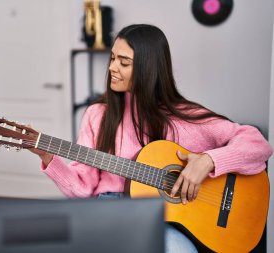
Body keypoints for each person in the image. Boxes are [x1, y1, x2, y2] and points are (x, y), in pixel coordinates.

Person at [29, 24, 272, 252]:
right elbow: (83, 188)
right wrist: (49, 157)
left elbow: (257, 144)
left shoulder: (184, 117)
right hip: (111, 211)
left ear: (149, 68)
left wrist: (209, 161)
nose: (112, 67)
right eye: (113, 58)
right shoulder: (97, 115)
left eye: (124, 62)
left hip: (167, 220)